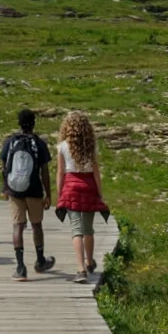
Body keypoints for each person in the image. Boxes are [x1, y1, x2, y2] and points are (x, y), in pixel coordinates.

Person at [0, 108, 55, 281]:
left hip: (15, 190)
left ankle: (20, 267)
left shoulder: (10, 142)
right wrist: (48, 194)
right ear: (34, 123)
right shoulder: (39, 143)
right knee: (36, 225)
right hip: (34, 190)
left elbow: (4, 167)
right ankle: (40, 261)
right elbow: (44, 171)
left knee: (18, 226)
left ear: (19, 124)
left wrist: (5, 187)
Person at [55, 110, 110, 283]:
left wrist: (60, 194)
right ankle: (89, 261)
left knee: (76, 230)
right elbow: (96, 171)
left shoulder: (63, 146)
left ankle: (80, 270)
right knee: (88, 229)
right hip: (88, 187)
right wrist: (100, 194)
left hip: (71, 186)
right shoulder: (91, 146)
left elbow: (60, 172)